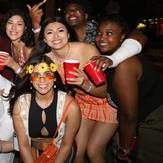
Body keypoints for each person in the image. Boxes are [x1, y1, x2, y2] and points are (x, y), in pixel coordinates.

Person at [31, 16, 118, 163]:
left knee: (94, 152)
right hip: (82, 104)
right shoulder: (47, 60)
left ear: (68, 34)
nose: (56, 36)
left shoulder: (86, 50)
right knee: (77, 153)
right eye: (50, 32)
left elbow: (104, 91)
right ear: (44, 39)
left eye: (60, 30)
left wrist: (83, 83)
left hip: (106, 104)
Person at [95, 14, 163, 163]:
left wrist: (124, 150)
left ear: (123, 38)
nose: (102, 38)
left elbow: (129, 116)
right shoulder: (109, 60)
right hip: (149, 119)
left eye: (109, 33)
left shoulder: (124, 65)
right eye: (99, 33)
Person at [9, 55, 81, 163]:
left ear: (55, 77)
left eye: (47, 74)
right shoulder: (21, 104)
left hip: (59, 155)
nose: (42, 80)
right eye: (36, 75)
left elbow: (66, 144)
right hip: (30, 155)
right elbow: (23, 145)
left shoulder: (71, 106)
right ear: (30, 80)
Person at [0, 8, 35, 79]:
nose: (13, 28)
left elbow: (31, 79)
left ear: (25, 28)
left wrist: (13, 65)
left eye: (19, 24)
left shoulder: (28, 49)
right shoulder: (11, 44)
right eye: (10, 23)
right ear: (5, 25)